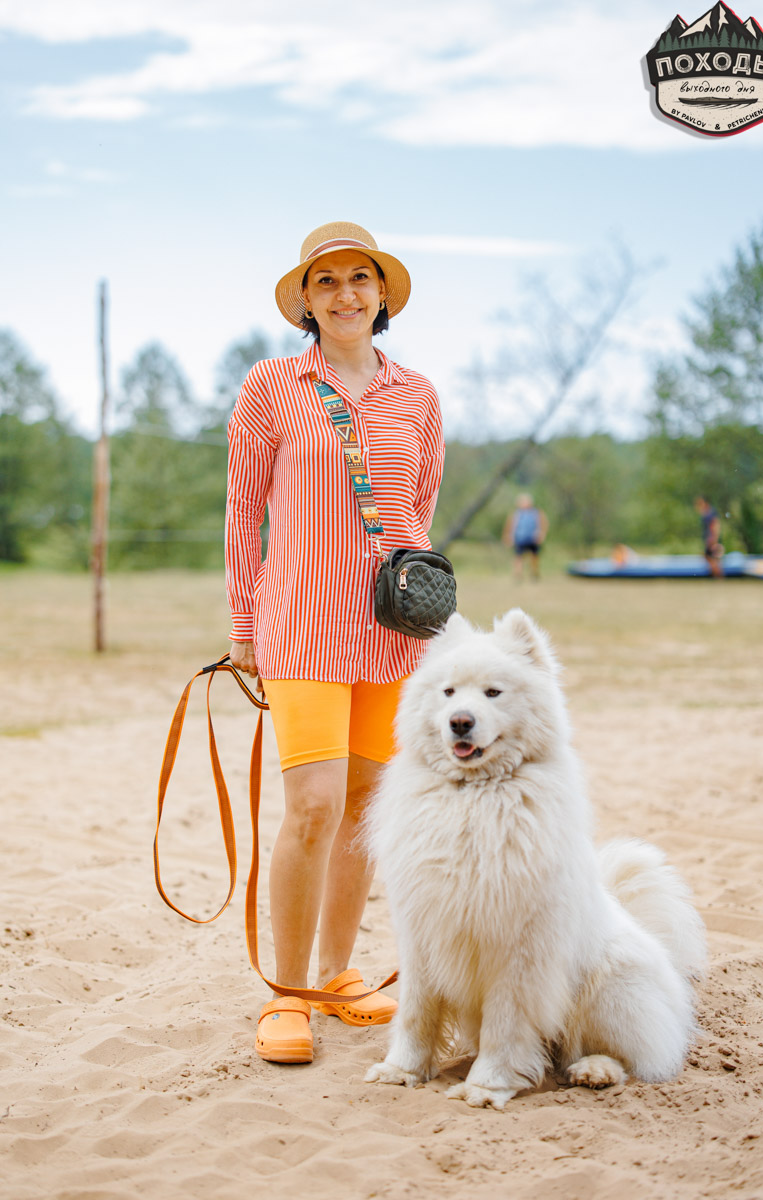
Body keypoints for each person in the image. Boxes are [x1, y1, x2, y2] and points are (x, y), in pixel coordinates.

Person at [225, 222, 445, 1065]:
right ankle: (287, 997)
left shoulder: (418, 395)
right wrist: (244, 624)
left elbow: (419, 507)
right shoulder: (272, 386)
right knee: (313, 808)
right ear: (306, 301)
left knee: (362, 814)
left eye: (361, 278)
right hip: (299, 626)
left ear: (382, 294)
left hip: (392, 635)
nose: (345, 294)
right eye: (326, 282)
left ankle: (337, 972)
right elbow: (246, 512)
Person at [503, 493, 549, 581]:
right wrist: (508, 536)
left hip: (533, 538)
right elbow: (510, 525)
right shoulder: (516, 514)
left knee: (534, 557)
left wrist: (541, 534)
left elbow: (543, 523)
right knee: (518, 556)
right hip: (520, 537)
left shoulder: (536, 512)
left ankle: (534, 574)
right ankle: (518, 575)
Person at [694, 496, 724, 579]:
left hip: (712, 540)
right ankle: (717, 577)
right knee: (711, 559)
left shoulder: (711, 513)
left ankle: (719, 577)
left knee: (713, 559)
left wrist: (714, 539)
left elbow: (715, 525)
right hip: (709, 539)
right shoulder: (706, 513)